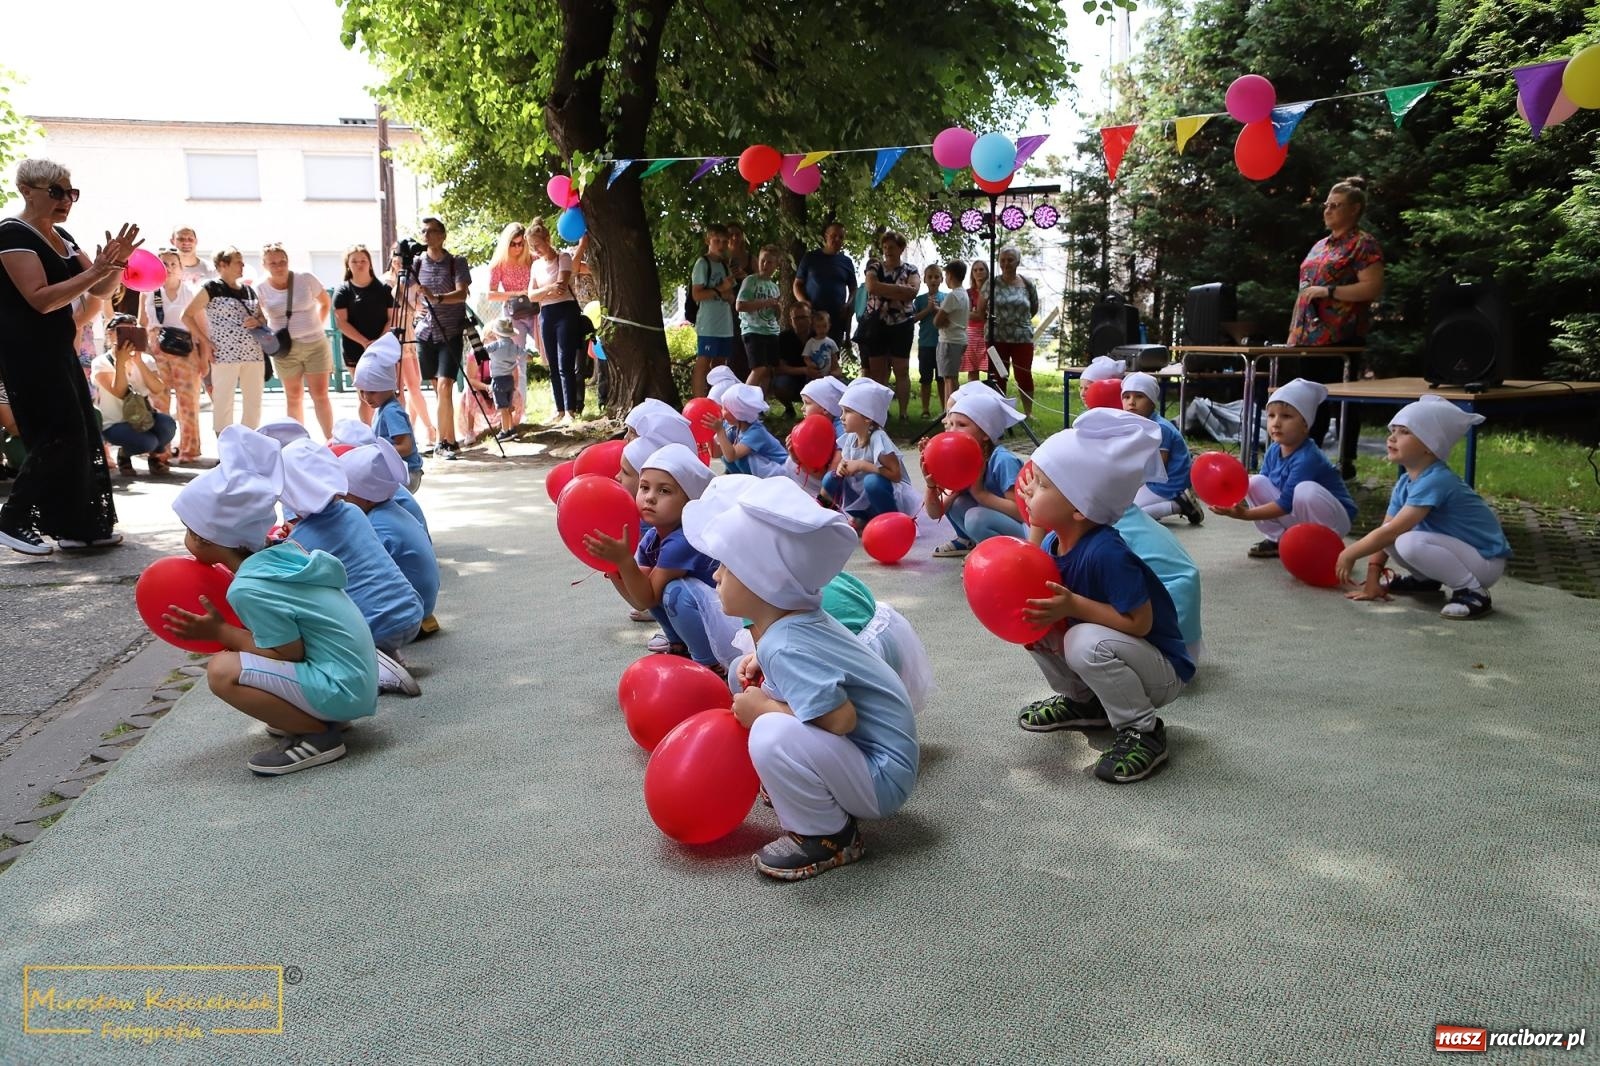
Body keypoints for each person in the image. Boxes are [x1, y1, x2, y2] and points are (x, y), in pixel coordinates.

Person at [682, 475, 919, 880]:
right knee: (768, 709)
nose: (716, 576)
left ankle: (829, 837)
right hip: (880, 760)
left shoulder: (786, 643)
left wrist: (765, 709)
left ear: (763, 580)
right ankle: (818, 798)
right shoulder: (794, 625)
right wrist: (762, 662)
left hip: (882, 776)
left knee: (769, 732)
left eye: (727, 566)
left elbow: (841, 720)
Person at [165, 426, 378, 776]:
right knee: (239, 658)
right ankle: (315, 715)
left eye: (189, 530)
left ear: (207, 538)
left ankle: (319, 735)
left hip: (343, 690)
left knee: (223, 671)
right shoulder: (281, 554)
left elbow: (287, 654)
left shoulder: (249, 587)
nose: (187, 538)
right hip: (352, 681)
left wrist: (222, 632)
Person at [1016, 408, 1194, 783]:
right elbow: (1028, 566)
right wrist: (1035, 516)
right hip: (1118, 654)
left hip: (1160, 669)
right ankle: (1085, 702)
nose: (1029, 490)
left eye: (1043, 485)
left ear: (1080, 509)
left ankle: (1143, 730)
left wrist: (1073, 606)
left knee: (1081, 638)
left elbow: (1140, 623)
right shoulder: (1053, 540)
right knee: (1031, 616)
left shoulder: (1107, 553)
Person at [0, 159, 139, 555]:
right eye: (56, 192)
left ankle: (79, 526)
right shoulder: (11, 234)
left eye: (70, 192)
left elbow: (100, 290)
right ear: (26, 191)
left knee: (82, 433)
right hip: (26, 352)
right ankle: (12, 518)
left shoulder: (62, 235)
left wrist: (116, 265)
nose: (66, 200)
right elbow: (40, 300)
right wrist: (97, 271)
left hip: (59, 349)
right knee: (59, 435)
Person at [1337, 396, 1510, 620]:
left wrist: (1349, 553)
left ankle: (1473, 591)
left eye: (1404, 432)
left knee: (1407, 541)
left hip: (1485, 561)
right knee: (1393, 535)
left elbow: (1391, 532)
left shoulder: (1436, 480)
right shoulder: (1405, 482)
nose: (1392, 437)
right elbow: (1386, 530)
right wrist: (1372, 581)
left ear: (1431, 445)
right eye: (1393, 430)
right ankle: (1424, 581)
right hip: (1463, 555)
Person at [280, 438, 423, 695]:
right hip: (412, 613)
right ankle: (391, 656)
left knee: (309, 615)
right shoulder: (354, 512)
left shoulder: (298, 541)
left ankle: (374, 670)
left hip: (373, 629)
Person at [585, 443, 741, 674]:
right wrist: (616, 568)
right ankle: (679, 645)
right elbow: (639, 596)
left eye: (664, 491)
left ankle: (708, 665)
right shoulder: (651, 537)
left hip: (730, 621)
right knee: (649, 582)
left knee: (674, 592)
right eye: (644, 487)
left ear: (689, 501)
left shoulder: (684, 539)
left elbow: (645, 599)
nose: (649, 498)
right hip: (712, 615)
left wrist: (624, 563)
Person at [1286, 176, 1385, 478]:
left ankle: (1345, 462)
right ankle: (1305, 458)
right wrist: (1293, 331)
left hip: (1340, 337)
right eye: (1326, 205)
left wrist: (1329, 292)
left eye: (1336, 205)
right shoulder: (1319, 246)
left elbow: (1372, 288)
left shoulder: (1363, 244)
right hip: (1307, 337)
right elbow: (1304, 290)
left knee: (1339, 400)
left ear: (1354, 209)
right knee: (1306, 399)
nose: (1327, 210)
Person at [1208, 378, 1357, 558]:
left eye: (1286, 416)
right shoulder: (1274, 450)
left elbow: (1285, 504)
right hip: (1299, 512)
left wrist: (1245, 514)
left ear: (1305, 425)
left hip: (1336, 520)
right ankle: (1279, 540)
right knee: (1255, 482)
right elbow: (1262, 489)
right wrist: (1231, 493)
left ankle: (1325, 544)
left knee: (1305, 490)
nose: (1276, 423)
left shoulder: (1308, 457)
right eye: (1271, 415)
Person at [339, 440, 439, 630]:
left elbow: (360, 569)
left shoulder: (377, 525)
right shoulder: (391, 510)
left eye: (346, 495)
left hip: (407, 615)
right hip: (423, 604)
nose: (341, 500)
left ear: (367, 496)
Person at [924, 383, 1026, 556]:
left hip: (1024, 534)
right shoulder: (962, 459)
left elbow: (1021, 513)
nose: (953, 431)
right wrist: (932, 485)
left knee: (975, 517)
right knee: (957, 503)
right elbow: (935, 513)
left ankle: (997, 554)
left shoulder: (1003, 461)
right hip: (992, 521)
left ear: (986, 433)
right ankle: (969, 542)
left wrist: (980, 494)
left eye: (962, 425)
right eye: (950, 424)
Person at [183, 248, 268, 434]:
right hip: (225, 354)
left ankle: (250, 442)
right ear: (223, 265)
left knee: (253, 402)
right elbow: (187, 316)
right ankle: (226, 446)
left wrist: (258, 321)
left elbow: (263, 318)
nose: (242, 265)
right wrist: (205, 341)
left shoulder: (248, 290)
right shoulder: (211, 288)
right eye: (238, 261)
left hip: (253, 353)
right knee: (223, 401)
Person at [408, 218, 472, 457]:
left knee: (445, 385)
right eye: (423, 231)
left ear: (443, 235)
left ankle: (440, 443)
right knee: (438, 389)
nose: (426, 235)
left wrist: (437, 298)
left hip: (450, 331)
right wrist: (414, 306)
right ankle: (450, 440)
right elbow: (401, 292)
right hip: (425, 332)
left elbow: (462, 294)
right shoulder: (415, 263)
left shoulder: (456, 262)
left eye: (432, 231)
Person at [256, 243, 334, 439]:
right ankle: (298, 442)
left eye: (282, 261)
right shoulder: (261, 288)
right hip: (284, 349)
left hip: (315, 343)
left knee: (320, 395)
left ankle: (331, 440)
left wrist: (316, 325)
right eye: (273, 263)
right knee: (293, 396)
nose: (279, 266)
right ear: (264, 265)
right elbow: (260, 317)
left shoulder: (305, 278)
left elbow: (325, 302)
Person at [137, 247, 204, 464]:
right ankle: (160, 449)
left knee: (188, 401)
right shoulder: (148, 292)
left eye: (173, 263)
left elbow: (202, 325)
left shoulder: (191, 292)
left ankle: (190, 450)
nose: (168, 267)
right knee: (158, 401)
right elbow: (142, 323)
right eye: (164, 263)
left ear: (181, 267)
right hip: (157, 348)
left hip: (185, 349)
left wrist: (204, 356)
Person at [822, 378, 918, 526]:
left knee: (871, 481)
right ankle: (863, 516)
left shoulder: (878, 438)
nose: (841, 417)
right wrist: (842, 466)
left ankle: (892, 520)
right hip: (865, 495)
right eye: (842, 411)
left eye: (847, 412)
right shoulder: (851, 437)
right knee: (831, 477)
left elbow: (896, 475)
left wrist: (862, 465)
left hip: (885, 493)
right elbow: (847, 460)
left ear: (867, 417)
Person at [92, 315, 177, 475]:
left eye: (133, 331)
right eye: (122, 331)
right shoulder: (100, 362)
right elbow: (119, 391)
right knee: (148, 442)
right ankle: (125, 454)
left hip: (144, 418)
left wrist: (138, 362)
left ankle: (154, 457)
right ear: (110, 334)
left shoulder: (146, 359)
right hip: (115, 423)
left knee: (168, 425)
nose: (128, 336)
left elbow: (158, 388)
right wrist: (120, 363)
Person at [1120, 372, 1202, 525]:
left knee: (1127, 515)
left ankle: (1179, 504)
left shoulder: (1159, 427)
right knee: (1121, 504)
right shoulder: (1141, 423)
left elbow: (1159, 466)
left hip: (1168, 483)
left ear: (1152, 402)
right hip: (1155, 481)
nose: (1131, 402)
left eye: (1139, 396)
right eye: (1126, 397)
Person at [527, 220, 585, 424]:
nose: (535, 250)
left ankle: (570, 409)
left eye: (538, 244)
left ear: (547, 239)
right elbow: (531, 295)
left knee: (565, 362)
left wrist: (546, 291)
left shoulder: (563, 257)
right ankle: (559, 409)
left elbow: (561, 286)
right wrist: (547, 290)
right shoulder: (535, 265)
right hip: (546, 314)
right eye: (531, 246)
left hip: (565, 311)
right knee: (552, 363)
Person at [858, 232, 920, 422]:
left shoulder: (911, 269)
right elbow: (871, 287)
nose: (887, 251)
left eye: (891, 247)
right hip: (876, 325)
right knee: (877, 370)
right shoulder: (874, 266)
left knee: (901, 369)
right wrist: (900, 291)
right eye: (885, 247)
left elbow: (913, 292)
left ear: (901, 249)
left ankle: (903, 413)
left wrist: (882, 287)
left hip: (901, 326)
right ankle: (879, 412)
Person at [332, 245, 395, 421]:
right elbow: (341, 322)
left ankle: (386, 431)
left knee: (384, 393)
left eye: (363, 261)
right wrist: (364, 342)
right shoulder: (343, 291)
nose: (359, 265)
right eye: (354, 261)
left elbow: (392, 318)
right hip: (355, 349)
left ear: (370, 264)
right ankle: (368, 434)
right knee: (365, 396)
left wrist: (379, 341)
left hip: (382, 348)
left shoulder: (383, 289)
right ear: (348, 265)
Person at [354, 334, 423, 493]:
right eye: (363, 391)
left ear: (388, 386)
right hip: (400, 471)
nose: (366, 397)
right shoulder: (382, 408)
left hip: (406, 474)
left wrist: (375, 450)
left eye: (372, 392)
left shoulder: (391, 411)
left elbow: (406, 446)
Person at [384, 248, 438, 449]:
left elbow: (417, 307)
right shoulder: (387, 281)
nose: (399, 262)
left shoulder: (411, 282)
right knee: (402, 389)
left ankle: (422, 428)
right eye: (396, 258)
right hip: (393, 336)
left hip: (409, 334)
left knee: (414, 384)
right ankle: (420, 430)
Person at [986, 246, 1039, 418]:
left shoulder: (1027, 283)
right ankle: (999, 411)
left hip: (1022, 337)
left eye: (1010, 259)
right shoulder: (992, 283)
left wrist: (1018, 322)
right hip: (997, 337)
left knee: (1024, 374)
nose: (1006, 263)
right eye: (1002, 260)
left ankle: (1028, 412)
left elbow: (1034, 308)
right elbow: (981, 309)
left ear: (1018, 261)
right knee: (998, 375)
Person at [690, 224, 738, 398]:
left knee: (720, 366)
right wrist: (720, 289)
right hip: (708, 324)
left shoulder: (725, 266)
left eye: (724, 242)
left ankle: (715, 399)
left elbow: (731, 296)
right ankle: (697, 401)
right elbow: (697, 294)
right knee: (703, 362)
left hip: (724, 323)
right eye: (716, 241)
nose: (720, 245)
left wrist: (728, 294)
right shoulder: (703, 263)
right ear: (708, 241)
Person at [793, 222, 857, 352]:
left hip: (835, 319)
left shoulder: (847, 262)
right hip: (812, 318)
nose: (837, 239)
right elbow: (797, 285)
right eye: (834, 236)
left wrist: (848, 304)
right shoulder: (810, 258)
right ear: (826, 236)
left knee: (832, 356)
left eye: (841, 237)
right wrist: (804, 303)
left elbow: (854, 289)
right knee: (809, 355)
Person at [710, 383, 787, 478]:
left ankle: (752, 482)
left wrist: (720, 431)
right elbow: (716, 453)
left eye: (725, 409)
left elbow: (731, 456)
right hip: (764, 467)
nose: (721, 412)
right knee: (725, 449)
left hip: (780, 470)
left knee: (739, 457)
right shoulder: (733, 426)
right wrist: (709, 432)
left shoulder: (756, 433)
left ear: (738, 414)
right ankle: (739, 477)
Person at [736, 244, 784, 393]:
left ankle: (759, 406)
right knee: (759, 368)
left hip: (771, 331)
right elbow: (740, 305)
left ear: (776, 265)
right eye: (762, 260)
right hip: (753, 330)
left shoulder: (774, 287)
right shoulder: (750, 281)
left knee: (768, 370)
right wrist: (765, 302)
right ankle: (742, 402)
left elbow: (776, 315)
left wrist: (777, 309)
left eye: (769, 262)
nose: (765, 265)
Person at [485, 222, 537, 353]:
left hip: (536, 310)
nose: (518, 248)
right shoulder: (499, 264)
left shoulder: (533, 259)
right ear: (506, 244)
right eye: (513, 244)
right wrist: (517, 294)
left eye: (521, 243)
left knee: (548, 349)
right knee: (516, 354)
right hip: (513, 313)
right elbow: (491, 295)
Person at [933, 261, 971, 411]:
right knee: (952, 377)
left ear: (950, 275)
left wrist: (940, 316)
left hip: (949, 341)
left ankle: (950, 412)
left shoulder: (952, 296)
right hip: (959, 339)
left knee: (948, 379)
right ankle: (953, 411)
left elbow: (937, 321)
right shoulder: (964, 294)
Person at [911, 264, 943, 419]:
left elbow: (948, 318)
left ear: (942, 279)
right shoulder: (919, 300)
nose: (933, 280)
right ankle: (925, 409)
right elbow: (913, 319)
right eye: (930, 277)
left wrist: (937, 309)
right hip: (925, 344)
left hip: (942, 344)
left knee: (942, 378)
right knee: (926, 379)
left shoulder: (946, 298)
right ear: (924, 279)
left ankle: (946, 409)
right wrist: (928, 310)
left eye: (937, 276)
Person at [771, 304, 816, 415]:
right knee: (779, 385)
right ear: (791, 321)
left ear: (810, 319)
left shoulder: (819, 337)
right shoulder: (783, 338)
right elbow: (778, 369)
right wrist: (805, 370)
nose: (800, 321)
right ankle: (789, 409)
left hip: (816, 379)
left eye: (804, 317)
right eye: (796, 318)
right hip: (792, 380)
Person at [484, 316, 522, 440]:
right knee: (508, 405)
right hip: (509, 380)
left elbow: (482, 351)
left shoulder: (495, 346)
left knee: (502, 408)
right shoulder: (513, 346)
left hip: (498, 380)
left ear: (496, 333)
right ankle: (511, 429)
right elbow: (526, 355)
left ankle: (504, 431)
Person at [724, 223, 753, 380]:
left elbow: (761, 283)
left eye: (738, 234)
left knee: (745, 348)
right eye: (731, 234)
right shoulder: (720, 259)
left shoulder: (750, 259)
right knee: (730, 348)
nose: (734, 237)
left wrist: (745, 276)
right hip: (726, 309)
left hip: (748, 311)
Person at [961, 259, 991, 383]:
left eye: (981, 269)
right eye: (975, 270)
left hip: (989, 333)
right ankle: (974, 397)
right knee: (972, 369)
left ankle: (992, 397)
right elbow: (966, 314)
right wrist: (981, 313)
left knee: (992, 368)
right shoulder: (967, 293)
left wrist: (976, 313)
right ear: (972, 273)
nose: (978, 272)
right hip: (971, 333)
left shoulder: (993, 291)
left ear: (987, 271)